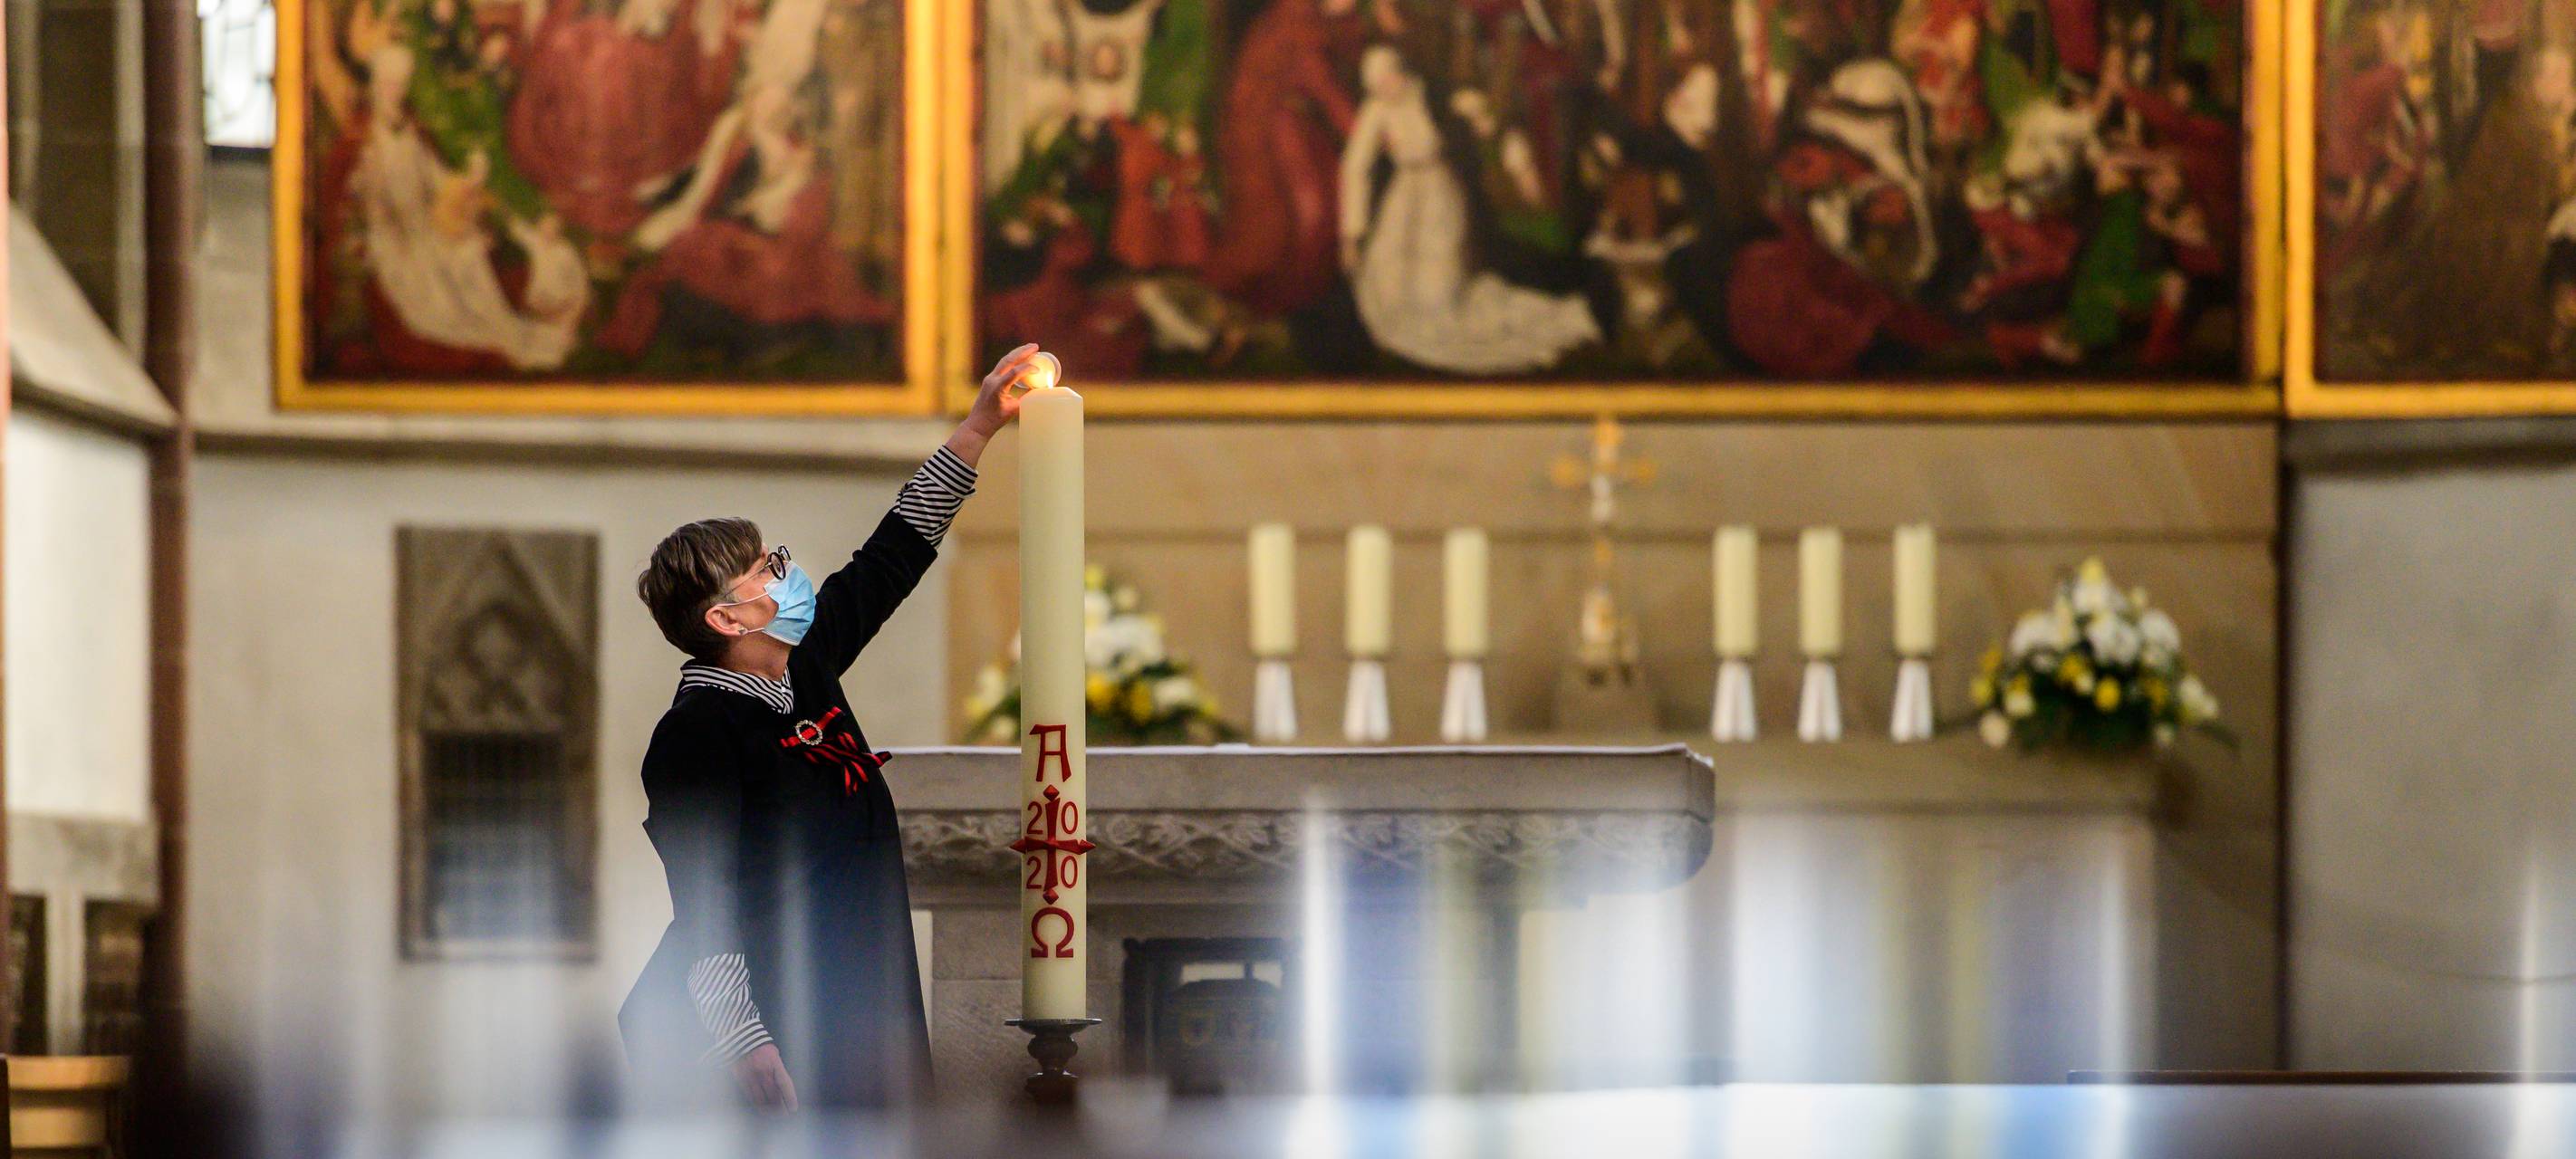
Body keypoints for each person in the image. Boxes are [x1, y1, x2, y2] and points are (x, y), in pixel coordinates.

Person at [620, 345, 1044, 1113]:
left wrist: (977, 429)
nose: (788, 572)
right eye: (765, 569)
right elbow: (702, 893)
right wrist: (740, 1038)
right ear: (725, 618)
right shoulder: (697, 733)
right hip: (779, 1015)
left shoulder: (803, 668)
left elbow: (891, 557)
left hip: (863, 983)